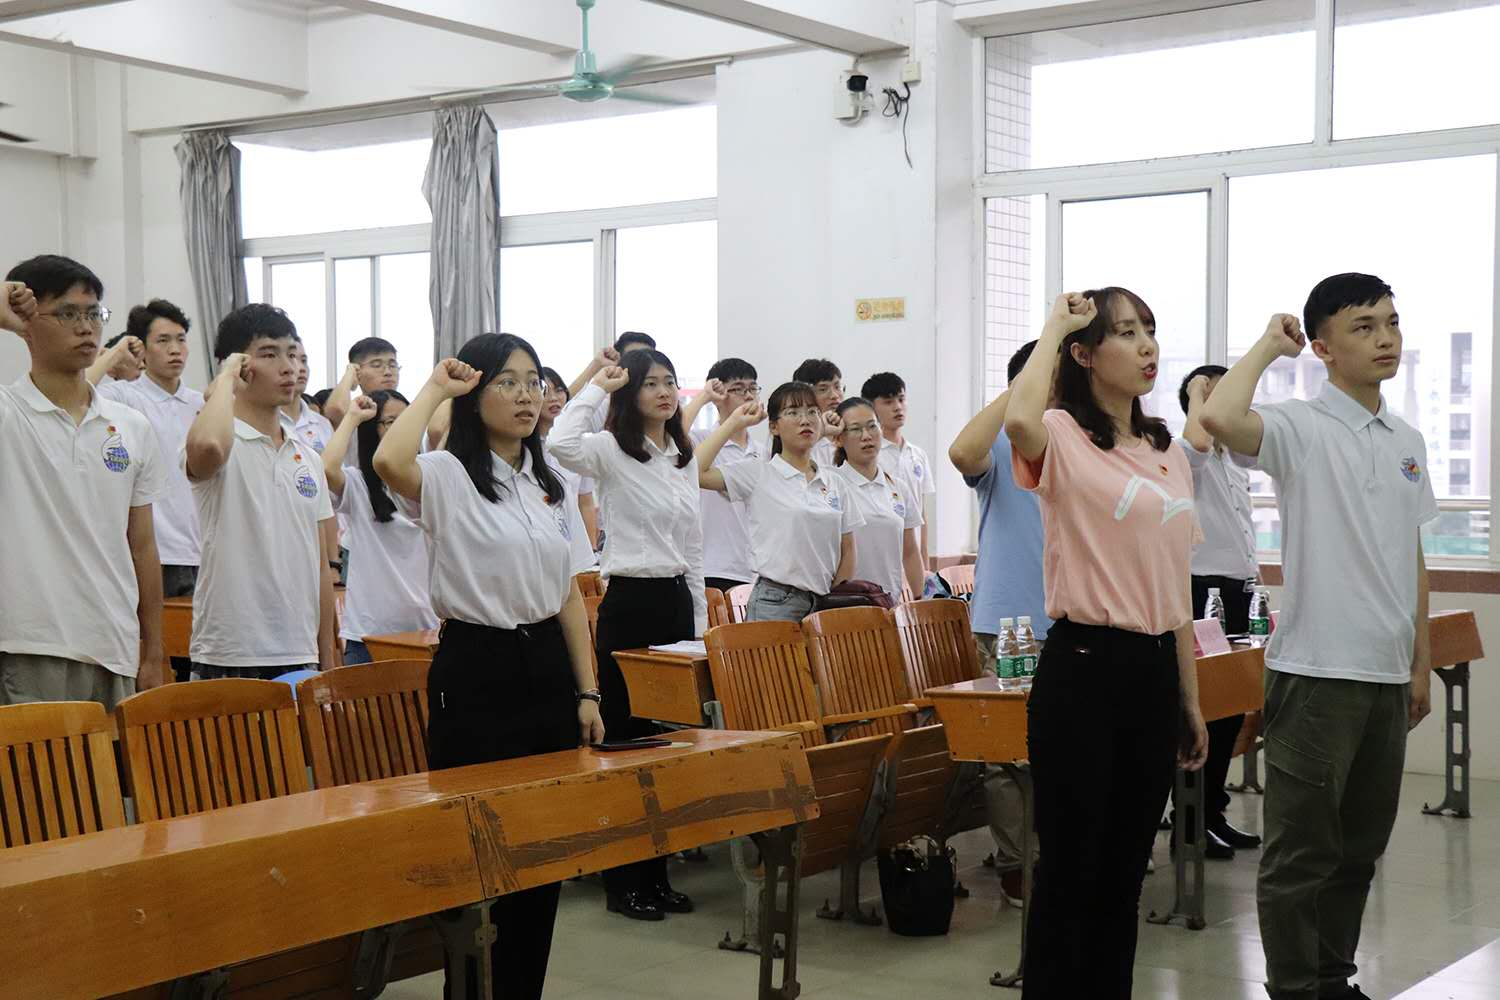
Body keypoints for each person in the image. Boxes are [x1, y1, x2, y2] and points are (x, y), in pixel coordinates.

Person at [1201, 274, 1435, 1000]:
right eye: (1364, 327)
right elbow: (1218, 417)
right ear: (1325, 348)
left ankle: (1334, 979)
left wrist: (1418, 664)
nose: (1386, 338)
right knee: (1301, 853)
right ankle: (1296, 988)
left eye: (1391, 322)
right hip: (1314, 673)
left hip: (1385, 675)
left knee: (1359, 850)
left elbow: (1412, 556)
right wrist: (1269, 346)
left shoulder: (1408, 440)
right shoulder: (1300, 428)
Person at [373, 335, 601, 1000]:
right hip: (477, 668)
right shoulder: (447, 475)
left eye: (534, 382)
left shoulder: (548, 486)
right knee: (477, 857)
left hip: (547, 670)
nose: (527, 395)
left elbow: (567, 595)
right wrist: (436, 387)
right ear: (475, 398)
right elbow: (388, 460)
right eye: (508, 382)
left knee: (541, 853)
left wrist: (587, 691)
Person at [1005, 287, 1208, 998]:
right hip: (1084, 667)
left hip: (1153, 671)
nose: (1147, 346)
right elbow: (1018, 418)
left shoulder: (1167, 450)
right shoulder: (1060, 433)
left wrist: (1188, 697)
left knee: (1125, 872)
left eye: (1149, 329)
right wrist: (1052, 328)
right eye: (1125, 333)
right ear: (1086, 355)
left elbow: (1174, 586)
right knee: (1072, 869)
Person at [550, 348, 705, 922]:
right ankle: (624, 882)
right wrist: (598, 383)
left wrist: (698, 624)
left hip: (673, 602)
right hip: (630, 603)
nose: (664, 392)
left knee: (666, 743)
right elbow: (559, 443)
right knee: (627, 743)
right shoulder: (610, 449)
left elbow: (692, 546)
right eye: (650, 383)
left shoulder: (682, 456)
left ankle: (657, 876)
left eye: (670, 382)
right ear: (629, 394)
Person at [0, 259, 167, 708]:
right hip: (33, 646)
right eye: (67, 313)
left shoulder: (131, 426)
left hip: (115, 645)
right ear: (25, 323)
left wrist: (154, 651)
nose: (86, 327)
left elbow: (143, 546)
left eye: (94, 313)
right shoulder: (7, 413)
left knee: (113, 759)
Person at [947, 340, 1053, 906]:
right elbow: (962, 452)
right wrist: (1020, 390)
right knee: (1008, 754)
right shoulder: (1002, 447)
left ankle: (1057, 855)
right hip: (1011, 626)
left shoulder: (1080, 442)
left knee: (1061, 749)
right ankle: (1017, 863)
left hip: (1075, 619)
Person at [184, 305, 340, 679]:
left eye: (293, 354)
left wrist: (326, 657)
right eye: (269, 354)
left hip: (299, 649)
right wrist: (225, 379)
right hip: (230, 651)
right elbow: (206, 448)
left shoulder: (307, 457)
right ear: (238, 364)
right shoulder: (221, 437)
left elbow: (319, 563)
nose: (289, 367)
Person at [87, 299, 204, 682]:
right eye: (163, 341)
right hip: (154, 550)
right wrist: (117, 352)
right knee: (154, 657)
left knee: (198, 662)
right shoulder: (125, 396)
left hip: (200, 551)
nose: (175, 349)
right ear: (142, 348)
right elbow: (82, 387)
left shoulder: (199, 403)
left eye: (181, 339)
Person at [1175, 363, 1263, 860]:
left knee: (1231, 708)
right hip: (1201, 591)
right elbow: (1196, 448)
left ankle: (1211, 812)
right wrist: (1197, 397)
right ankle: (1188, 821)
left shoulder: (1234, 461)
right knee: (1204, 709)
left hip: (1237, 590)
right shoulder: (1186, 453)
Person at [695, 382, 862, 622]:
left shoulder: (834, 482)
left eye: (812, 412)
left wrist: (833, 597)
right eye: (793, 412)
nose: (805, 420)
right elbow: (696, 472)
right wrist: (733, 422)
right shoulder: (759, 472)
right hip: (775, 601)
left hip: (824, 600)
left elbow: (848, 551)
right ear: (774, 426)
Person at [319, 390, 437, 665]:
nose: (401, 428)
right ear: (373, 431)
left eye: (407, 419)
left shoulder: (431, 478)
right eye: (391, 421)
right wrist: (352, 417)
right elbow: (326, 469)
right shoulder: (360, 484)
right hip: (369, 634)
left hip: (426, 630)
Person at [680, 358, 763, 594]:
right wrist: (704, 396)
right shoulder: (701, 440)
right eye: (738, 389)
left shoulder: (763, 452)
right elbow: (672, 435)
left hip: (755, 570)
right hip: (711, 566)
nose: (748, 396)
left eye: (753, 388)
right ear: (719, 396)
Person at [832, 397, 923, 602]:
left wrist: (920, 598)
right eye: (855, 429)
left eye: (872, 426)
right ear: (838, 439)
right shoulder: (831, 484)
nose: (866, 436)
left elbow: (910, 551)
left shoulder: (898, 487)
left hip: (888, 602)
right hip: (845, 603)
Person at [863, 371, 935, 571]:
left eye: (901, 399)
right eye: (888, 402)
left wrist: (926, 567)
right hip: (880, 563)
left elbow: (921, 515)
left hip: (912, 562)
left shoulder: (917, 455)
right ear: (870, 408)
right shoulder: (868, 455)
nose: (897, 407)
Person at [539, 366, 599, 550]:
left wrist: (592, 549)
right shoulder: (522, 447)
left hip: (574, 542)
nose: (554, 398)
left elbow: (586, 503)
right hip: (541, 540)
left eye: (559, 390)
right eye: (545, 392)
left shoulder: (578, 446)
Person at [323, 336, 401, 427]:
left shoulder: (407, 409)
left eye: (392, 365)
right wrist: (349, 375)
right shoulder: (355, 414)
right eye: (377, 365)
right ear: (357, 371)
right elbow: (336, 410)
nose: (388, 372)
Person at [792, 358, 845, 468]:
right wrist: (821, 432)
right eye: (823, 389)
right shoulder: (792, 435)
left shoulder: (851, 430)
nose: (834, 395)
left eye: (837, 387)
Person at [284, 340, 334, 454]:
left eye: (304, 361)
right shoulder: (266, 422)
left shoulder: (322, 424)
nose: (301, 368)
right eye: (292, 358)